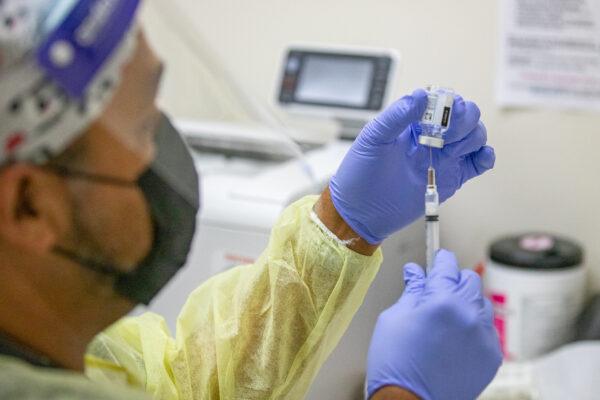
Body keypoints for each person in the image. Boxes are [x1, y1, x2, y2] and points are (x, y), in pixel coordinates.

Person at [0, 1, 500, 399]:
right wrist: (404, 395)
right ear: (29, 205)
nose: (165, 160)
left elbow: (189, 387)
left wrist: (342, 223)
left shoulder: (57, 346)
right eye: (145, 129)